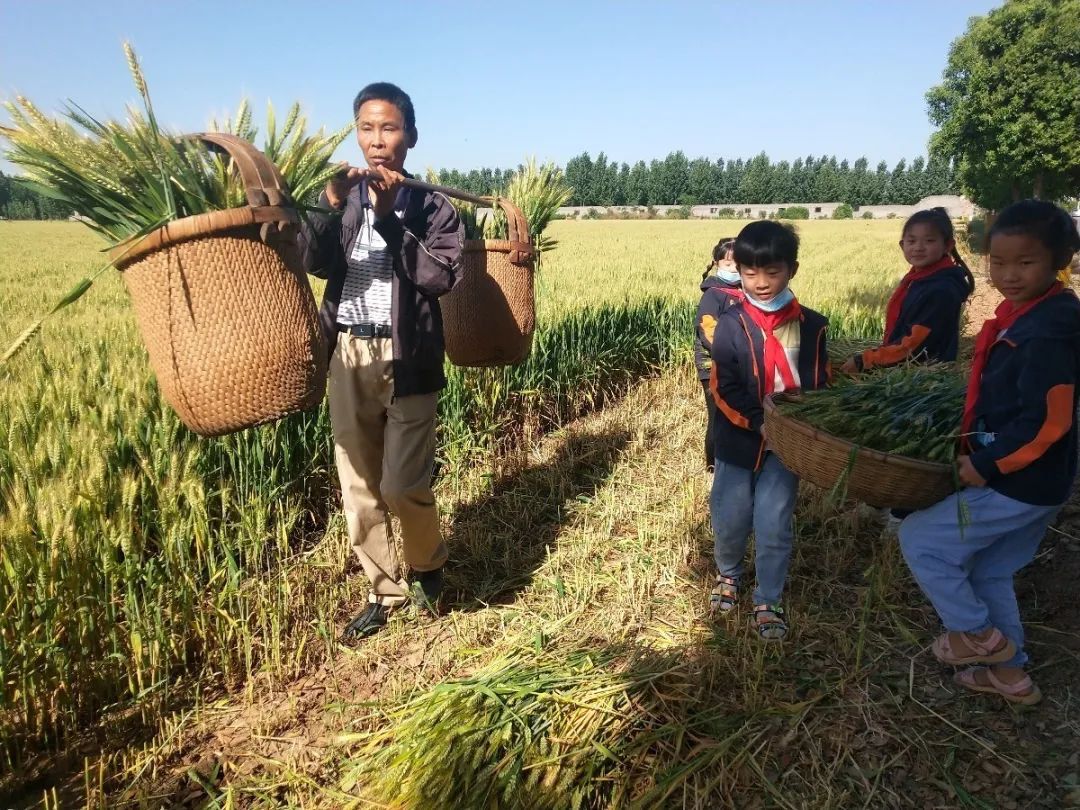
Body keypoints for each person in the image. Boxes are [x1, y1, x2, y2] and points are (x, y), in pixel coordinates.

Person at [298, 82, 463, 640]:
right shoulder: (344, 202)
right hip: (348, 350)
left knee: (400, 483)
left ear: (410, 137)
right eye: (366, 128)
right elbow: (312, 259)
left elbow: (439, 277)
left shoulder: (432, 204)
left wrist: (392, 218)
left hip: (408, 354)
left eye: (389, 128)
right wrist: (329, 206)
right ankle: (385, 593)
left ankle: (427, 567)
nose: (377, 141)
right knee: (359, 485)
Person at [899, 200, 1080, 705]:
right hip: (1042, 483)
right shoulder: (1032, 315)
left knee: (921, 539)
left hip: (1019, 480)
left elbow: (1050, 421)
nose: (1008, 275)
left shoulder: (1046, 332)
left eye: (1025, 263)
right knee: (989, 570)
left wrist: (985, 463)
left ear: (1059, 260)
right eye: (998, 263)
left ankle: (976, 635)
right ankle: (1011, 674)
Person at [708, 221, 830, 640]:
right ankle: (728, 574)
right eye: (749, 273)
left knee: (775, 522)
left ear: (792, 269)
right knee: (730, 518)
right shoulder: (731, 324)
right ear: (738, 270)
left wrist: (805, 424)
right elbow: (723, 387)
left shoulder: (813, 326)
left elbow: (819, 383)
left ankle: (768, 597)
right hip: (740, 441)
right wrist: (760, 423)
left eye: (772, 272)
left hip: (787, 447)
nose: (761, 283)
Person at [841, 207, 975, 375]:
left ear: (947, 245)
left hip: (925, 378)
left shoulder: (941, 291)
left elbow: (915, 346)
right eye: (912, 241)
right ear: (902, 245)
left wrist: (865, 361)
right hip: (910, 369)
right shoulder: (921, 278)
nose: (918, 247)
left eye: (929, 241)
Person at [694, 238, 741, 471]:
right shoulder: (714, 293)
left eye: (738, 265)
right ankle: (712, 466)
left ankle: (731, 461)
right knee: (718, 416)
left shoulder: (743, 292)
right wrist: (729, 353)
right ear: (716, 264)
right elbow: (707, 330)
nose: (733, 270)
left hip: (736, 364)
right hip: (713, 364)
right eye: (728, 264)